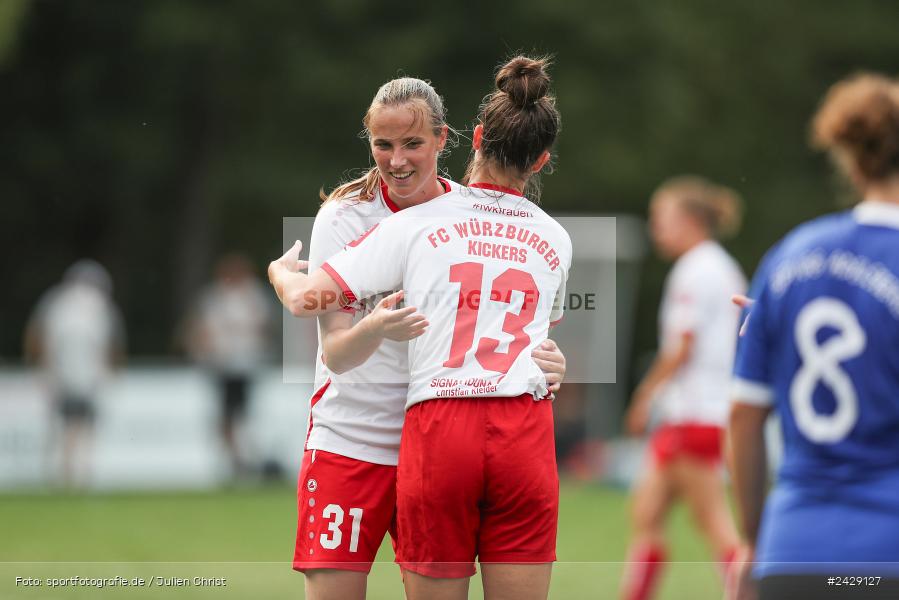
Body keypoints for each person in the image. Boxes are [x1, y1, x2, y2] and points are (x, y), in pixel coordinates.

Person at [270, 55, 570, 600]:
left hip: (428, 440)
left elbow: (504, 319)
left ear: (448, 139)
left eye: (412, 144)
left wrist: (547, 359)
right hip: (353, 438)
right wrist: (373, 326)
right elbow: (335, 353)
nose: (397, 160)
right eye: (383, 146)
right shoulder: (343, 216)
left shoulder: (455, 214)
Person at [729, 73, 899, 600]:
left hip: (791, 552)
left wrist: (754, 540)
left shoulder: (790, 257)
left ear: (848, 160)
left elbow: (743, 417)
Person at [621, 176, 746, 600]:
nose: (657, 227)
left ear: (690, 221)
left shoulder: (694, 270)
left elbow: (681, 347)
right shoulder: (723, 265)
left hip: (694, 412)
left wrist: (643, 395)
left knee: (714, 524)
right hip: (702, 412)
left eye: (663, 218)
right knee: (647, 512)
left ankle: (747, 590)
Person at [24, 259, 126, 487]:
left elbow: (36, 335)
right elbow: (114, 344)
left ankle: (67, 472)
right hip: (85, 376)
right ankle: (77, 473)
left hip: (62, 374)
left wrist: (37, 365)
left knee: (67, 425)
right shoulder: (98, 306)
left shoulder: (55, 302)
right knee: (81, 426)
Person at [184, 253, 272, 477]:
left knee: (239, 415)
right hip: (222, 365)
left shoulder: (253, 296)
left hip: (245, 364)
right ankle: (234, 459)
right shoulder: (215, 297)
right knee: (227, 416)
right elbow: (202, 329)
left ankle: (242, 458)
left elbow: (262, 328)